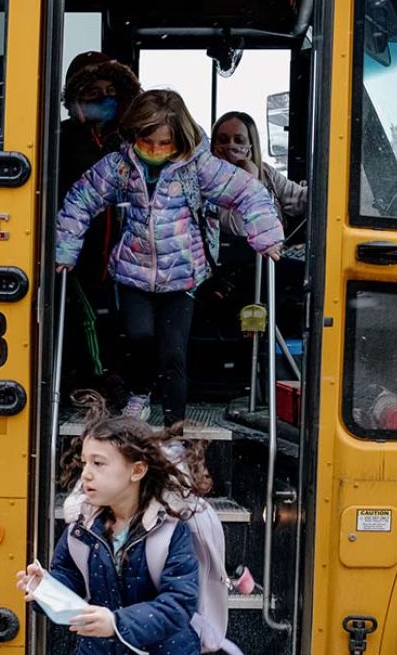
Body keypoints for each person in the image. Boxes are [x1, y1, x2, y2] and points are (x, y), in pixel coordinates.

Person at [16, 392, 214, 655]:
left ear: (137, 471)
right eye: (85, 462)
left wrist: (118, 622)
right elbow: (69, 576)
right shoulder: (81, 525)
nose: (85, 474)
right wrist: (44, 589)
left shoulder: (170, 531)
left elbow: (179, 604)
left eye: (99, 464)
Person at [56, 89, 284, 426]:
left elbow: (247, 192)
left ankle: (175, 423)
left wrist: (266, 237)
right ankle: (140, 394)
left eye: (165, 143)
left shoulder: (197, 167)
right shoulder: (121, 166)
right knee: (139, 336)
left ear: (179, 138)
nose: (155, 152)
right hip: (135, 271)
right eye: (147, 143)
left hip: (181, 277)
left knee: (173, 351)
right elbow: (82, 199)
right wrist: (65, 249)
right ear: (135, 134)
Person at [56, 53, 143, 398]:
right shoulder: (60, 138)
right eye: (92, 91)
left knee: (112, 315)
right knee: (88, 316)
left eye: (111, 90)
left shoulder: (125, 141)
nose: (104, 98)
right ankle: (96, 377)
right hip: (77, 247)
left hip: (119, 247)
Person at [210, 110, 307, 266]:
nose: (230, 146)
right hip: (239, 268)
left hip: (270, 262)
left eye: (239, 140)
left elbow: (298, 199)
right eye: (223, 140)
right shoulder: (208, 185)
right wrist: (249, 179)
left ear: (250, 146)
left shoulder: (266, 173)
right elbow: (241, 230)